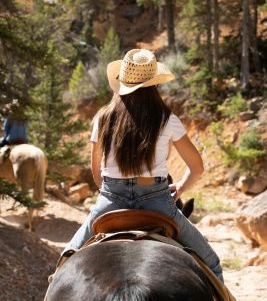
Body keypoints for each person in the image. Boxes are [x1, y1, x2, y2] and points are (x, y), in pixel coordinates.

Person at [63, 48, 223, 284]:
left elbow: (97, 175)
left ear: (122, 81)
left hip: (110, 201)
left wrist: (112, 191)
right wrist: (179, 188)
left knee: (65, 262)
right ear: (154, 84)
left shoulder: (103, 118)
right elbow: (197, 167)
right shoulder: (167, 119)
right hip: (156, 201)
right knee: (212, 263)